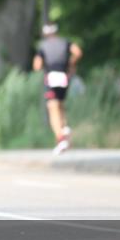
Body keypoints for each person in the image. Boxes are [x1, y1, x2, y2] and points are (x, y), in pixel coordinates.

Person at [32, 23, 83, 155]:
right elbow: (77, 52)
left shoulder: (43, 47)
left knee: (52, 107)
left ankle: (60, 139)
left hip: (52, 76)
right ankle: (64, 128)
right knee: (60, 104)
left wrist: (43, 65)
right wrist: (70, 63)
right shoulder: (65, 42)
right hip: (64, 76)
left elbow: (37, 66)